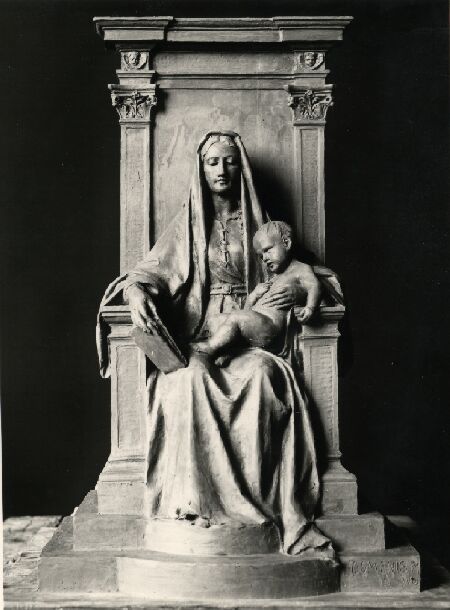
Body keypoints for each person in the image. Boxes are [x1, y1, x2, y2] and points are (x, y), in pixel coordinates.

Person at [98, 131, 332, 555]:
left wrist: (298, 292)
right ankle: (195, 503)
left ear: (241, 168)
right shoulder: (188, 225)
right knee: (187, 379)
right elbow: (148, 271)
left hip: (252, 337)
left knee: (262, 378)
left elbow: (307, 270)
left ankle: (255, 511)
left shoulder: (261, 225)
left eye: (229, 161)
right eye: (212, 162)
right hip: (201, 332)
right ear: (201, 170)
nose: (221, 170)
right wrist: (134, 292)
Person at [191, 220, 321, 362]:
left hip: (270, 327)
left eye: (267, 250)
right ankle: (229, 350)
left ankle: (209, 348)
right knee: (215, 320)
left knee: (236, 318)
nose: (264, 258)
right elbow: (247, 311)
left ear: (286, 243)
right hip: (256, 323)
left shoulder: (301, 269)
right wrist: (254, 296)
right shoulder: (274, 278)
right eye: (261, 256)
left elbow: (314, 285)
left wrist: (310, 307)